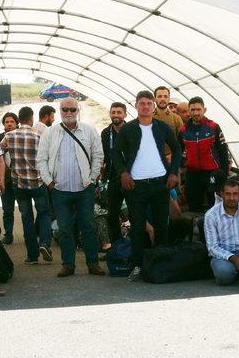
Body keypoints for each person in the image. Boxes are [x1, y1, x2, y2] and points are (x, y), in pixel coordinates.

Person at [113, 90, 181, 281]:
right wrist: (123, 172)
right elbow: (115, 153)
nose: (145, 106)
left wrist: (173, 172)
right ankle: (137, 265)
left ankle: (162, 265)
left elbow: (176, 148)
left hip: (160, 182)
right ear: (136, 106)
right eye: (141, 103)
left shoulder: (162, 127)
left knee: (161, 226)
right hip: (136, 186)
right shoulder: (129, 129)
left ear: (153, 106)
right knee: (137, 227)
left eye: (148, 103)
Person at [36, 97, 104, 277]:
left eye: (72, 110)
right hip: (60, 190)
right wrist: (49, 181)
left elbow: (98, 155)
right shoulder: (50, 133)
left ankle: (93, 263)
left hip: (84, 190)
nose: (68, 113)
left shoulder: (89, 131)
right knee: (64, 229)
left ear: (78, 111)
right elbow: (41, 159)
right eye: (65, 109)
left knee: (88, 227)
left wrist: (92, 178)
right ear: (60, 111)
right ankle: (68, 265)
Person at [0, 107, 53, 264]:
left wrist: (6, 167)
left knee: (26, 218)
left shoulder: (8, 136)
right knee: (44, 213)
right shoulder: (39, 135)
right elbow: (47, 157)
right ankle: (44, 243)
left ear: (19, 119)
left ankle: (32, 256)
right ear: (31, 119)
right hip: (37, 182)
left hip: (19, 184)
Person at [179, 96, 229, 212]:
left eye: (198, 109)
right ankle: (198, 229)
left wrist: (224, 172)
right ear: (189, 111)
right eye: (192, 110)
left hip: (212, 173)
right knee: (194, 208)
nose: (195, 113)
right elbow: (178, 151)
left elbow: (223, 149)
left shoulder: (213, 127)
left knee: (215, 207)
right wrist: (183, 163)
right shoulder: (183, 130)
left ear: (204, 110)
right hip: (192, 175)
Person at [100, 102, 129, 244]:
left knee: (134, 213)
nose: (116, 115)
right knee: (112, 215)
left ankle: (135, 247)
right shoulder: (106, 133)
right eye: (113, 112)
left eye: (119, 112)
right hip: (113, 177)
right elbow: (104, 156)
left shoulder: (132, 130)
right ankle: (117, 247)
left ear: (125, 114)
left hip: (130, 177)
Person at [0, 112, 19, 245]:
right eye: (7, 122)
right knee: (7, 209)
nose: (9, 124)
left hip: (21, 178)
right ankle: (9, 234)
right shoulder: (0, 137)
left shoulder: (22, 135)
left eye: (12, 121)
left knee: (25, 209)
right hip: (6, 179)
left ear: (17, 123)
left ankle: (31, 234)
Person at [153, 86, 183, 157]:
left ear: (169, 99)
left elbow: (182, 141)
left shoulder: (176, 119)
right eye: (160, 96)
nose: (163, 99)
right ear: (154, 99)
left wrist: (173, 154)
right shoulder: (147, 118)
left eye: (165, 96)